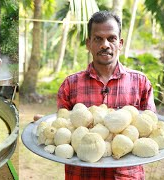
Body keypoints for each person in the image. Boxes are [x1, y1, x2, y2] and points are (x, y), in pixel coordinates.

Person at [56, 11, 156, 179]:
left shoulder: (140, 83)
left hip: (127, 175)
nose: (105, 44)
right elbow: (63, 129)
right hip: (82, 175)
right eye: (98, 39)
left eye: (111, 38)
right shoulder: (70, 85)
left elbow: (151, 128)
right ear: (88, 44)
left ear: (120, 43)